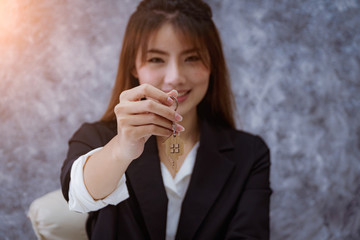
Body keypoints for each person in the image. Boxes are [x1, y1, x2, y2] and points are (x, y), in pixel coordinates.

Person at [60, 0, 271, 239]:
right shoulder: (96, 137)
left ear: (213, 64)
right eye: (156, 60)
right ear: (133, 67)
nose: (174, 78)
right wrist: (121, 149)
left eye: (191, 58)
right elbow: (77, 194)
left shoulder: (249, 153)